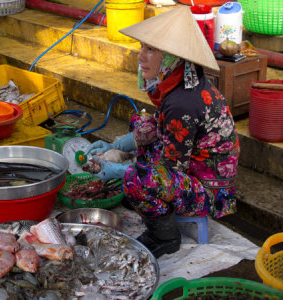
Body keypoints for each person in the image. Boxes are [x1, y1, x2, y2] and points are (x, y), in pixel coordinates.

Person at [85, 6, 240, 258]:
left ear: (171, 57)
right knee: (139, 123)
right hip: (192, 163)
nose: (141, 57)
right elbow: (159, 125)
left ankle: (164, 236)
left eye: (151, 49)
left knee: (141, 178)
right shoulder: (180, 82)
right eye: (143, 48)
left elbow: (170, 169)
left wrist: (121, 170)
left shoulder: (183, 102)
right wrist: (118, 146)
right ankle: (145, 197)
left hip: (208, 189)